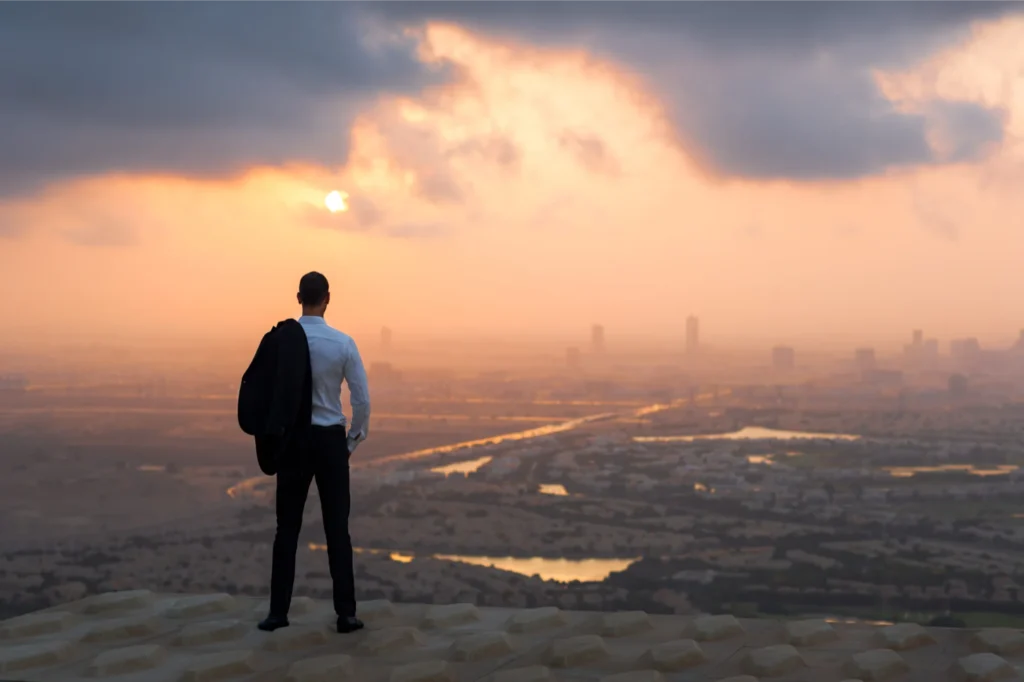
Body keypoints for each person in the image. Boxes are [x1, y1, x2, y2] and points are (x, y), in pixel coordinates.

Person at [258, 271, 371, 634]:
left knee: (286, 529)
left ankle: (278, 613)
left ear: (298, 297)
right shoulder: (342, 343)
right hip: (329, 442)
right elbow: (362, 400)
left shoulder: (282, 341)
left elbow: (264, 393)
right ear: (327, 298)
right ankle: (346, 615)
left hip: (293, 443)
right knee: (338, 529)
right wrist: (351, 441)